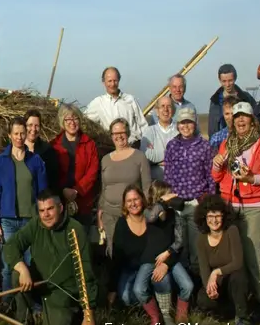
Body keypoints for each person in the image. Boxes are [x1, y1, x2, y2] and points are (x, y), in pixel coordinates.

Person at [211, 101, 260, 320]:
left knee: (252, 255)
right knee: (229, 255)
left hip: (254, 206)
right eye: (237, 117)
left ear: (252, 121)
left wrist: (252, 178)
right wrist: (216, 165)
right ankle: (236, 299)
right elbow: (218, 177)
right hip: (230, 205)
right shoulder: (226, 144)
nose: (240, 120)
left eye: (245, 117)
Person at [5, 190, 97, 325]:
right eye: (41, 211)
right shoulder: (35, 225)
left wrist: (88, 315)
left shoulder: (75, 230)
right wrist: (22, 269)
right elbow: (11, 246)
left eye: (50, 209)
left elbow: (85, 273)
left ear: (60, 208)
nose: (45, 215)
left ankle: (72, 316)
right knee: (16, 276)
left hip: (63, 292)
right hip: (39, 284)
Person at [0, 117, 48, 300]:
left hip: (30, 220)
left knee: (30, 262)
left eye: (22, 133)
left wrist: (42, 218)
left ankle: (29, 303)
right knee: (9, 264)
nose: (19, 137)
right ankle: (8, 303)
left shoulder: (35, 161)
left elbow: (43, 193)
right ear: (9, 135)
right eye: (15, 133)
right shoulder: (2, 161)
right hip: (8, 220)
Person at [107, 186, 175, 325]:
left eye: (136, 199)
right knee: (126, 297)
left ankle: (164, 314)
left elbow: (170, 242)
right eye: (129, 201)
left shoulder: (152, 218)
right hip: (130, 269)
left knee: (163, 280)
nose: (133, 204)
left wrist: (166, 263)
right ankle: (148, 308)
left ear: (142, 200)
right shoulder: (121, 223)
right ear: (124, 204)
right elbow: (116, 257)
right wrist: (112, 289)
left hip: (153, 266)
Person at [163, 107, 214, 273]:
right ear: (177, 125)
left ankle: (199, 286)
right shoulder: (171, 146)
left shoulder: (204, 146)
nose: (186, 126)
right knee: (179, 246)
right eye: (182, 122)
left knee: (197, 247)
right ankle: (183, 291)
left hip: (196, 203)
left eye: (189, 122)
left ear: (195, 123)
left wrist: (209, 202)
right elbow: (168, 175)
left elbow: (210, 176)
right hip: (177, 204)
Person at [194, 194, 250, 325]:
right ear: (204, 218)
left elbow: (238, 262)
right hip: (218, 282)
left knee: (238, 276)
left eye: (217, 216)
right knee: (203, 298)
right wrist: (209, 286)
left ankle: (242, 318)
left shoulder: (231, 230)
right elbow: (204, 269)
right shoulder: (201, 239)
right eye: (210, 216)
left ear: (224, 216)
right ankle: (222, 312)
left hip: (233, 278)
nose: (214, 220)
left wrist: (217, 272)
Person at [143, 181, 194, 325]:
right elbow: (151, 218)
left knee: (188, 286)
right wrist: (162, 203)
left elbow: (179, 241)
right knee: (162, 281)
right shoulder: (148, 211)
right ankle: (165, 316)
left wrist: (168, 254)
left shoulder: (173, 215)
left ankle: (181, 316)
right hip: (152, 260)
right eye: (168, 194)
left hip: (170, 257)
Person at [97, 118, 151, 254]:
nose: (119, 136)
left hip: (131, 214)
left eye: (122, 132)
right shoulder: (105, 160)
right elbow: (104, 188)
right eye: (115, 133)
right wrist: (100, 212)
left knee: (132, 252)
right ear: (111, 136)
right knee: (113, 251)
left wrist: (144, 212)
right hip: (109, 214)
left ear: (127, 133)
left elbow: (146, 187)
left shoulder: (139, 157)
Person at [208, 63, 260, 137]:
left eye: (230, 80)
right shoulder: (215, 101)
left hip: (244, 144)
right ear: (219, 80)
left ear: (235, 79)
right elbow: (212, 130)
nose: (227, 84)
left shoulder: (246, 98)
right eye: (224, 81)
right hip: (223, 146)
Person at [50, 104, 99, 227]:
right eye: (68, 119)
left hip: (83, 202)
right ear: (63, 121)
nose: (72, 122)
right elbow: (51, 172)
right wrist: (63, 190)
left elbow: (92, 171)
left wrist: (77, 190)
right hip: (60, 202)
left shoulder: (89, 144)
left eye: (75, 118)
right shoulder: (54, 145)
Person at [84, 67, 149, 147]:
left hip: (133, 146)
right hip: (111, 148)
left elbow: (143, 124)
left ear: (119, 80)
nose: (112, 84)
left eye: (115, 81)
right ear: (103, 82)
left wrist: (147, 143)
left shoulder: (130, 99)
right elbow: (84, 122)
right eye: (109, 81)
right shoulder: (98, 103)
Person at [140, 95, 178, 181]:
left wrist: (157, 161)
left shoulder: (180, 131)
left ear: (173, 111)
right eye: (162, 106)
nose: (165, 109)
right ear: (157, 111)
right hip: (156, 183)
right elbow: (146, 156)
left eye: (169, 106)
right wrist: (172, 156)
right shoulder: (149, 132)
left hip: (177, 183)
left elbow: (185, 157)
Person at [23, 109, 60, 193]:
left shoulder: (48, 150)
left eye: (37, 125)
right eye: (30, 125)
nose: (33, 129)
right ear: (24, 126)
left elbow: (53, 180)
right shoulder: (16, 149)